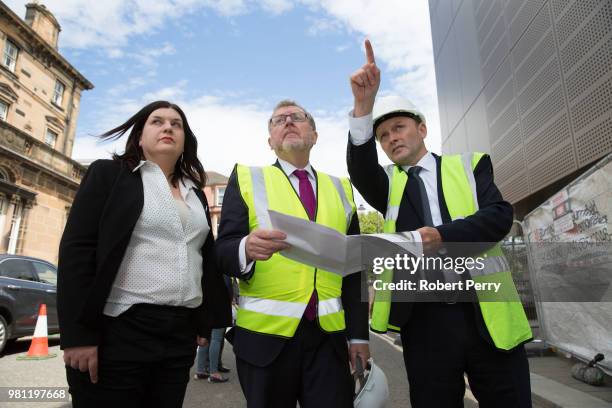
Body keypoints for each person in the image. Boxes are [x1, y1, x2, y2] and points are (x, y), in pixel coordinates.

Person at [347, 40, 533, 407]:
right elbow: (361, 169)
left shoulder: (470, 165)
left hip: (486, 315)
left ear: (422, 128)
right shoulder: (389, 184)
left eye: (399, 128)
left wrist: (442, 236)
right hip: (426, 321)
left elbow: (497, 217)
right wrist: (363, 109)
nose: (391, 138)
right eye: (384, 136)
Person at [57, 100, 232, 407]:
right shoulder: (109, 175)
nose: (168, 127)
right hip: (120, 329)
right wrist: (78, 336)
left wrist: (205, 321)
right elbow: (77, 253)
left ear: (184, 141)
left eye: (176, 124)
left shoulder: (195, 193)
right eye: (157, 121)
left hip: (179, 335)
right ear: (139, 136)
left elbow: (204, 259)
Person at [216, 100, 370, 408]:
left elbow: (355, 268)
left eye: (297, 118)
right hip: (265, 340)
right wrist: (245, 248)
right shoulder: (247, 177)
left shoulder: (341, 188)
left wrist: (359, 336)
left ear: (314, 135)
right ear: (270, 141)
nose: (287, 122)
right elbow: (222, 250)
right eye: (278, 120)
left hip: (328, 341)